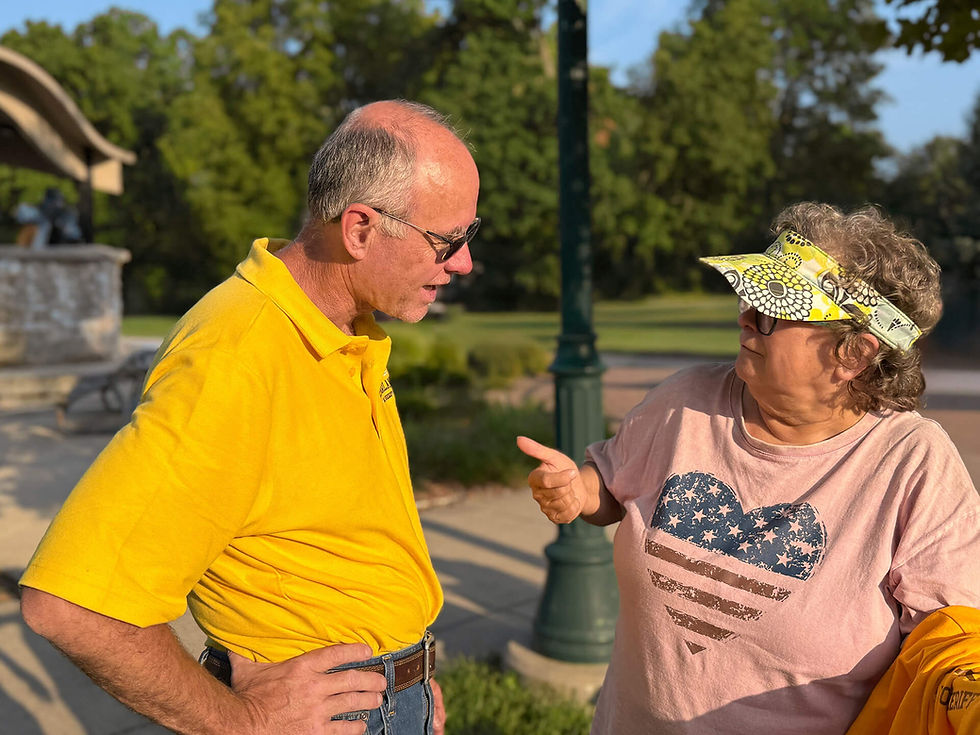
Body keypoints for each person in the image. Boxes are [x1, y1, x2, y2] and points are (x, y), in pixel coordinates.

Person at [20, 99, 481, 735]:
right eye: (447, 240)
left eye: (468, 234)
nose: (463, 262)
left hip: (386, 699)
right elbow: (73, 605)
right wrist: (247, 722)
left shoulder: (344, 329)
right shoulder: (237, 356)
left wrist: (410, 681)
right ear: (360, 230)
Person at [518, 202, 980, 735]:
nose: (745, 317)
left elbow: (950, 640)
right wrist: (578, 490)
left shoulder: (912, 463)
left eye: (772, 310)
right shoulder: (685, 400)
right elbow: (614, 489)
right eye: (749, 299)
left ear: (854, 352)